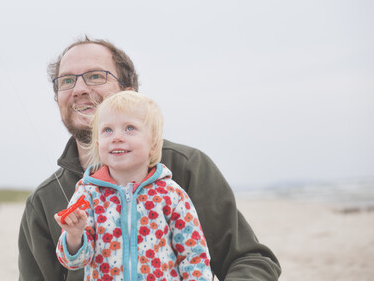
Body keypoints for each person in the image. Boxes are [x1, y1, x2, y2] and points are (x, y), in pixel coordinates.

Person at [18, 36, 281, 281]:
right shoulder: (42, 202)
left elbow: (251, 260)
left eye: (95, 76)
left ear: (130, 94)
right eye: (66, 81)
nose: (79, 89)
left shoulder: (186, 167)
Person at [54, 91, 213, 281]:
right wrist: (74, 235)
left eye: (129, 128)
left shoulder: (171, 194)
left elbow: (194, 255)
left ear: (153, 143)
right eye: (107, 130)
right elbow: (75, 261)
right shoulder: (87, 194)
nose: (117, 137)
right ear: (98, 144)